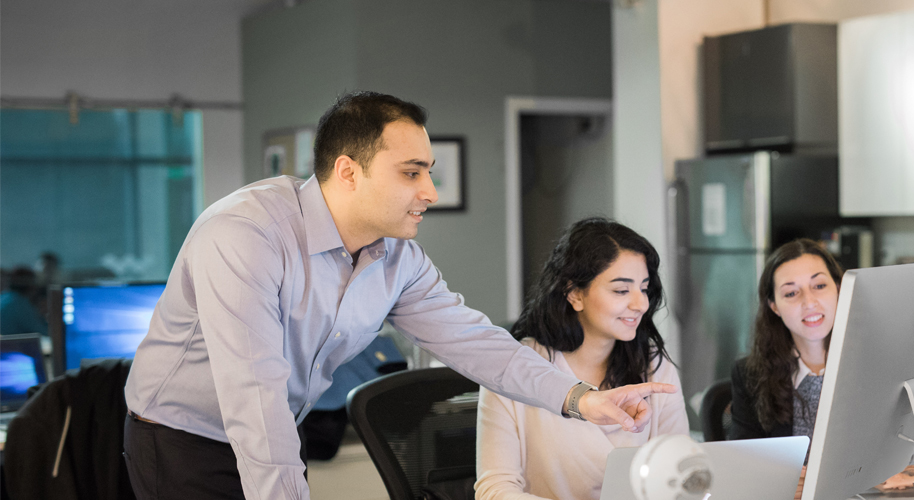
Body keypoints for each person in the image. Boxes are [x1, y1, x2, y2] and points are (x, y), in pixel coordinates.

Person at [122, 92, 676, 500]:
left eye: (428, 173)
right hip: (182, 438)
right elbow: (253, 394)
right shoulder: (247, 236)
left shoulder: (396, 258)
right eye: (411, 173)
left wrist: (580, 399)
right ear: (348, 172)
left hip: (273, 434)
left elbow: (478, 344)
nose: (429, 192)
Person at [474, 218, 689, 500]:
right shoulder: (514, 369)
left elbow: (681, 474)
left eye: (644, 288)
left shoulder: (652, 364)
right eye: (621, 290)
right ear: (575, 293)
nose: (641, 304)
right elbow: (495, 491)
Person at [728, 239, 914, 495]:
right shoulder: (749, 375)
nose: (809, 302)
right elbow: (739, 467)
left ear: (838, 288)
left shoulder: (884, 362)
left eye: (819, 285)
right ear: (774, 307)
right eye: (791, 293)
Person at [0, 266, 48, 337]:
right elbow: (43, 332)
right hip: (13, 346)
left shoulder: (3, 297)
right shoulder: (21, 305)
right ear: (32, 287)